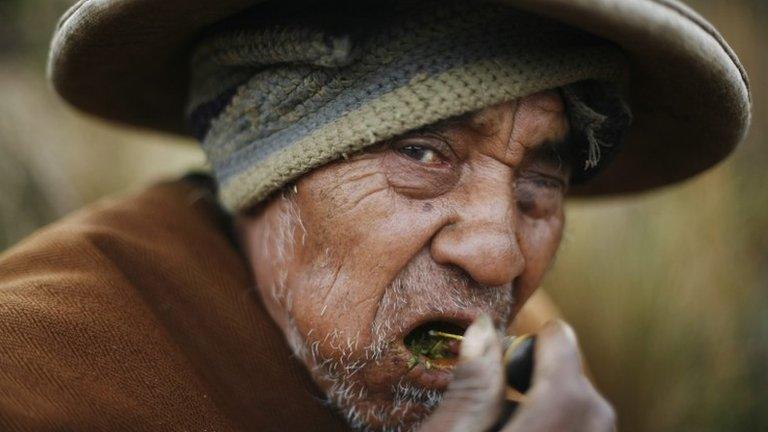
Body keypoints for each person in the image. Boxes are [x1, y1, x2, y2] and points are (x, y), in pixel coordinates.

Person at [0, 0, 750, 431]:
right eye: (422, 154)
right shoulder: (35, 376)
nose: (499, 256)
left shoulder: (519, 354)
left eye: (537, 184)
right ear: (262, 170)